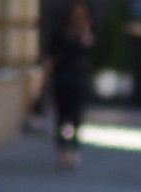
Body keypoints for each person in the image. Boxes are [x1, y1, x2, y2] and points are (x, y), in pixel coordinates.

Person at [44, 1, 97, 169]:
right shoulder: (60, 32)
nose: (78, 18)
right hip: (61, 79)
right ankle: (62, 149)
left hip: (79, 80)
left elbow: (89, 48)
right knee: (61, 116)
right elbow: (50, 56)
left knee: (76, 117)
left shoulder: (86, 33)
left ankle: (73, 149)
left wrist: (85, 31)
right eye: (76, 14)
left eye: (82, 15)